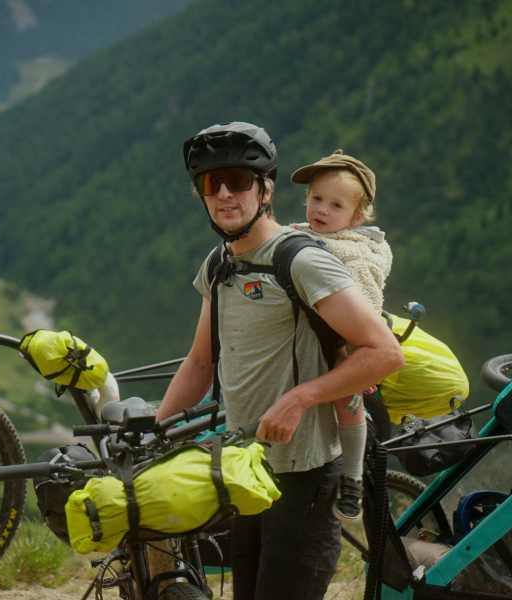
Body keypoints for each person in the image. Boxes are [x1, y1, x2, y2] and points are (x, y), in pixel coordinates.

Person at [156, 122, 403, 600]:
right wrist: (154, 431)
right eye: (212, 183)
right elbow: (199, 364)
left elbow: (384, 353)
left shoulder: (303, 262)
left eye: (239, 180)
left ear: (266, 187)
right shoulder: (219, 264)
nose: (225, 194)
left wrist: (300, 398)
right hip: (247, 471)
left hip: (306, 477)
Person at [290, 149, 392, 521]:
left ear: (357, 216)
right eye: (316, 199)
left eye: (335, 205)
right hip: (309, 333)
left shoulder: (359, 252)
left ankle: (351, 479)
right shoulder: (297, 237)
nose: (322, 210)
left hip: (347, 340)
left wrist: (361, 353)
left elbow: (367, 297)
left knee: (346, 399)